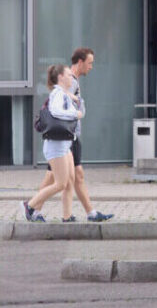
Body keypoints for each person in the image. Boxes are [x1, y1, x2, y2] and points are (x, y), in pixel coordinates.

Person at [35, 48, 112, 222]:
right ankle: (34, 208)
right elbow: (64, 110)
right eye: (90, 63)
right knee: (66, 177)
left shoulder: (72, 81)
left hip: (67, 137)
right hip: (68, 137)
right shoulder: (71, 82)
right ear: (80, 62)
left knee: (67, 176)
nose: (91, 67)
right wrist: (77, 112)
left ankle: (76, 213)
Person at [20, 66, 84, 222]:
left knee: (70, 181)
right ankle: (30, 206)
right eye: (69, 75)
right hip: (56, 146)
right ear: (61, 77)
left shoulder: (62, 94)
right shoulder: (57, 94)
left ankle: (67, 216)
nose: (72, 78)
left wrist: (73, 100)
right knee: (60, 183)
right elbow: (55, 111)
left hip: (64, 144)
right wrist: (74, 113)